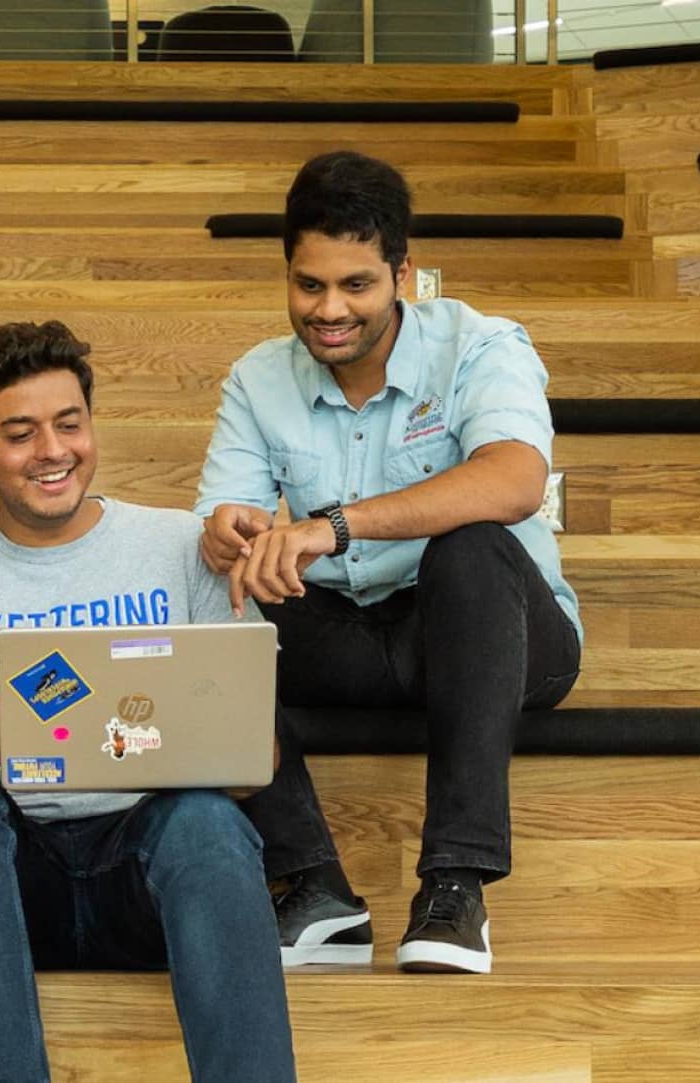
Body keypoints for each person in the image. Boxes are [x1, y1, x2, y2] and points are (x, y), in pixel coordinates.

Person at [195, 150, 583, 975]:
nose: (329, 310)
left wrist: (333, 525)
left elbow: (516, 479)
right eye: (309, 285)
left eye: (356, 286)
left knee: (473, 547)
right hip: (348, 632)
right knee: (202, 590)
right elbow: (221, 517)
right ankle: (314, 887)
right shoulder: (257, 379)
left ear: (404, 273)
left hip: (493, 634)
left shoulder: (480, 345)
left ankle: (455, 886)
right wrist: (228, 535)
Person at [0, 320, 296, 1082]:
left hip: (151, 873)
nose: (52, 451)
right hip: (7, 881)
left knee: (209, 817)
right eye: (19, 433)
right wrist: (65, 693)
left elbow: (255, 757)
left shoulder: (183, 545)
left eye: (69, 424)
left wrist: (136, 714)